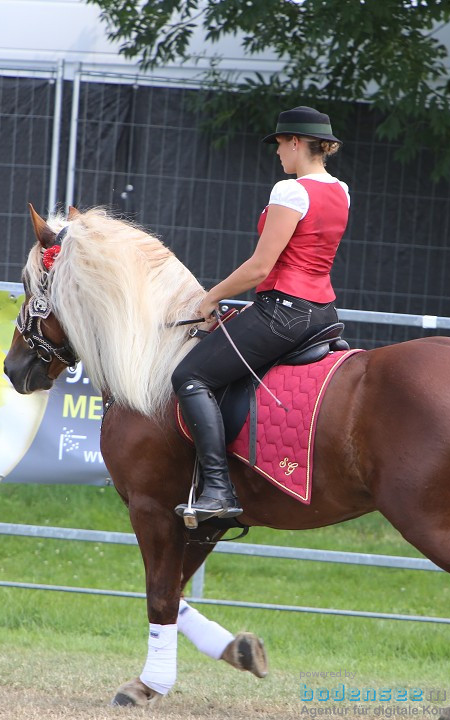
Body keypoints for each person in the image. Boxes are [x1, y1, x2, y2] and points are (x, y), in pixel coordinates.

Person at [171, 105, 351, 523]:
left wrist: (210, 298)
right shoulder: (341, 190)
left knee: (190, 376)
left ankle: (217, 489)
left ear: (294, 142)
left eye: (279, 145)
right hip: (322, 312)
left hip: (284, 313)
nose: (277, 154)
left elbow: (259, 268)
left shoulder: (290, 191)